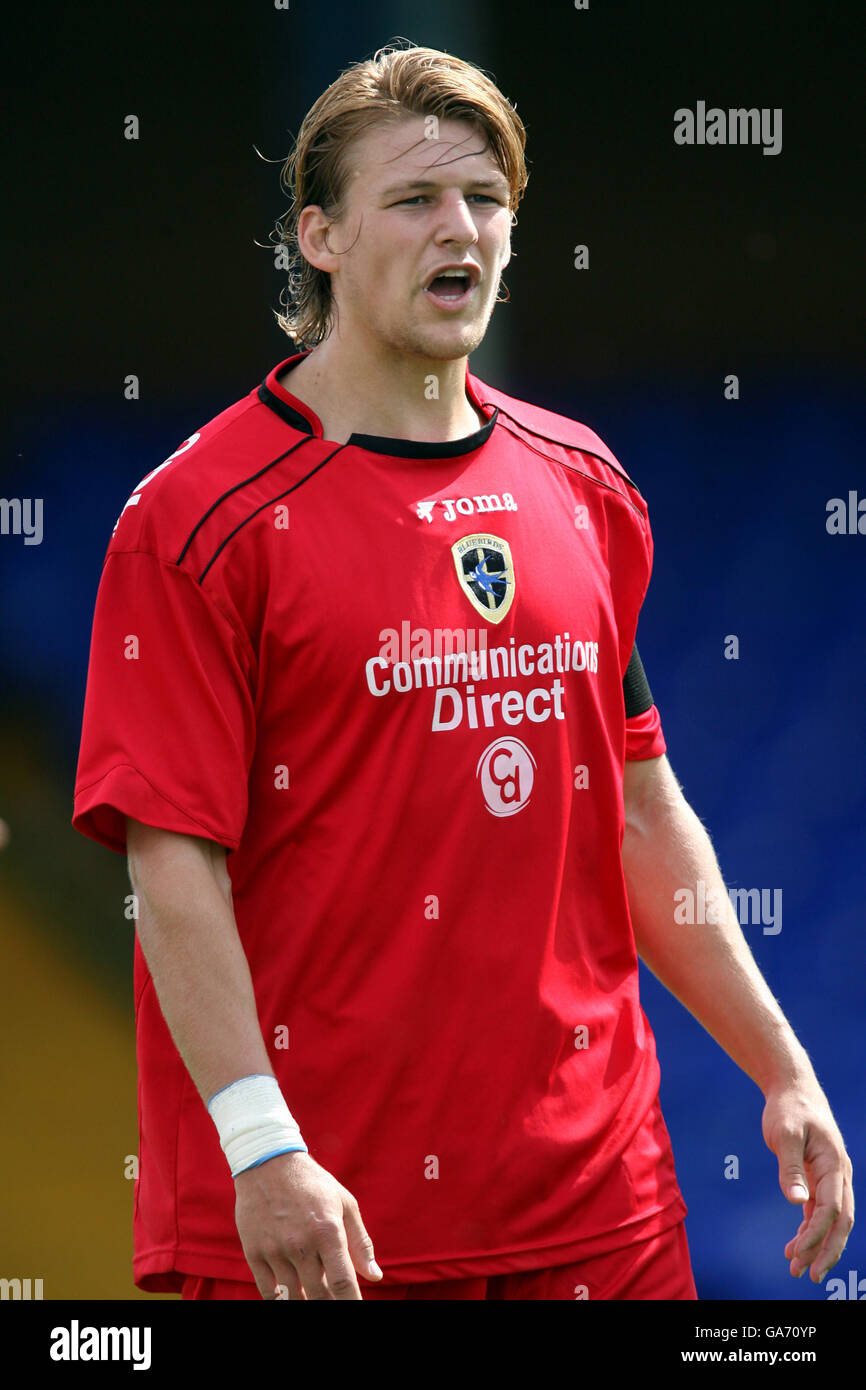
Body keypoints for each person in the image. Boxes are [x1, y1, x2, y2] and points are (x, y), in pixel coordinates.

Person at [72, 42, 853, 1302]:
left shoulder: (581, 484)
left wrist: (781, 1066)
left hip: (602, 1205)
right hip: (327, 1219)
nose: (464, 230)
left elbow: (641, 809)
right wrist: (264, 1149)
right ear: (319, 237)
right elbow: (171, 863)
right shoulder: (193, 521)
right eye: (415, 200)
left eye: (486, 199)